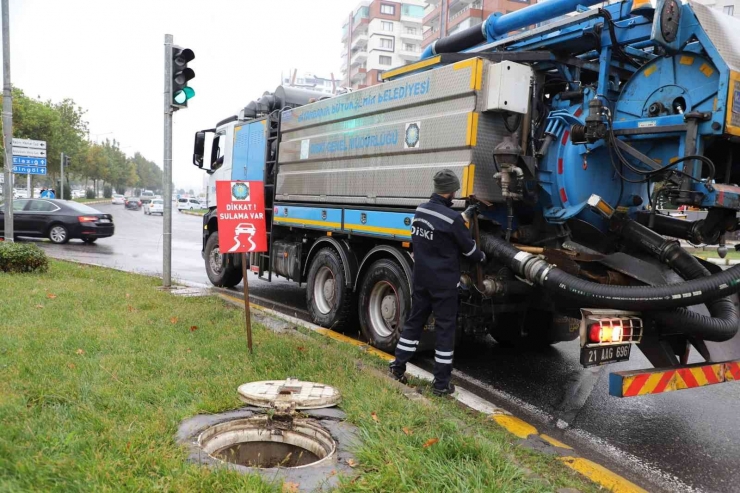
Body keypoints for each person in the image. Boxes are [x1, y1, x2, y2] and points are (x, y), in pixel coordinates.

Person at [389, 169, 486, 396]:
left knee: (414, 323)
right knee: (444, 331)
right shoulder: (452, 219)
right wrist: (481, 257)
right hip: (444, 285)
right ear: (451, 191)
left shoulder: (420, 211)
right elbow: (469, 249)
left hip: (422, 279)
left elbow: (437, 230)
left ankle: (397, 367)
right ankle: (441, 385)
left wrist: (464, 216)